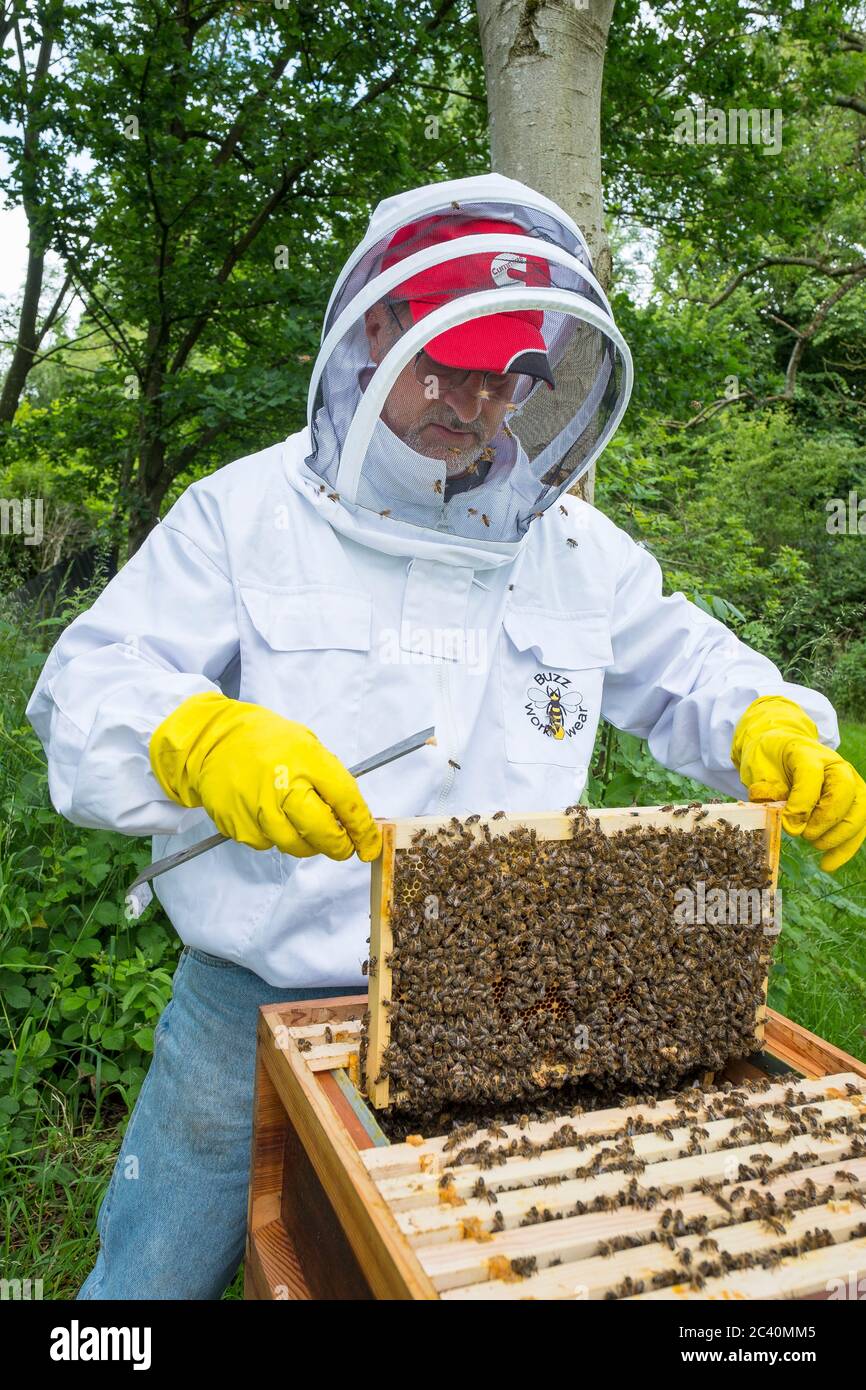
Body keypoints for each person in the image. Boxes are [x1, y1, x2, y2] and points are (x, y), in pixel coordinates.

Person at [27, 172, 866, 1299]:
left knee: (459, 1268)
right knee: (147, 1280)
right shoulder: (242, 512)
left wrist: (772, 721)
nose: (473, 403)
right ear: (375, 326)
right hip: (254, 997)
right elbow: (86, 684)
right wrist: (193, 733)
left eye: (506, 379)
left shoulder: (574, 547)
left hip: (508, 1002)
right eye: (448, 364)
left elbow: (693, 668)